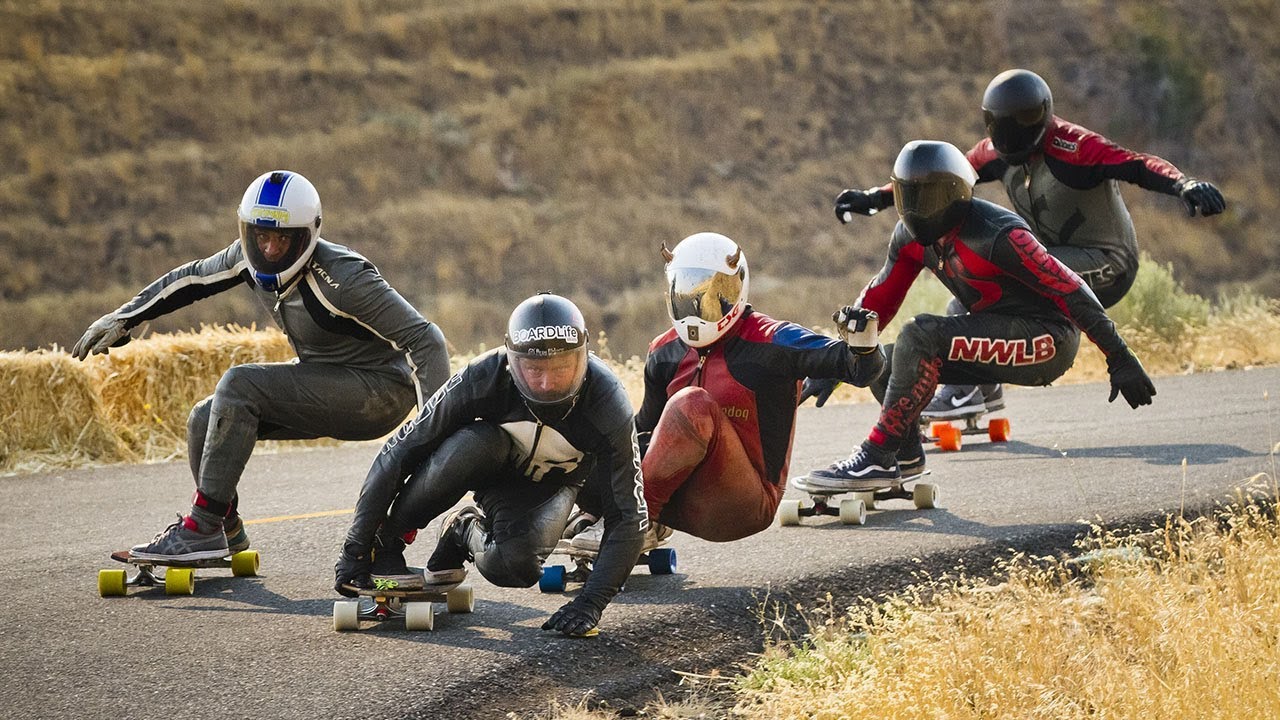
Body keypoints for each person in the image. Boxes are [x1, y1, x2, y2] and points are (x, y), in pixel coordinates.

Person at [71, 170, 450, 560]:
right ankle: (223, 529)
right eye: (261, 236)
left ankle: (200, 527)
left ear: (308, 234)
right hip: (323, 380)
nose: (269, 249)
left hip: (377, 393)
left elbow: (425, 339)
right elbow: (192, 278)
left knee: (240, 384)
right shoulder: (247, 259)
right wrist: (125, 317)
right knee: (205, 418)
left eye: (282, 238)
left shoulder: (345, 277)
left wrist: (433, 439)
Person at [826, 68, 1222, 420]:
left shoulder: (1076, 147)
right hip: (1047, 257)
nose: (1012, 136)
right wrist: (876, 198)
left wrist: (1183, 184)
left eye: (1025, 121)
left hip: (1107, 263)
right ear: (990, 125)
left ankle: (969, 391)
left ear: (1045, 115)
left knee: (973, 299)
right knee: (973, 295)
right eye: (1001, 127)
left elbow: (1138, 164)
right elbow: (938, 179)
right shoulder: (993, 152)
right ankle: (980, 390)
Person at [805, 140, 1155, 487]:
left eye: (929, 197)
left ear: (957, 194)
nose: (917, 209)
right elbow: (880, 300)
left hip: (1048, 340)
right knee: (882, 363)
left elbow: (1069, 286)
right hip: (994, 330)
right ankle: (904, 455)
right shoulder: (908, 239)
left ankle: (876, 456)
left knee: (919, 333)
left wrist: (1119, 355)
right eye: (908, 197)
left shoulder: (999, 234)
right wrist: (839, 361)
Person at [333, 293, 648, 638]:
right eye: (533, 369)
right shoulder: (483, 375)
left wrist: (591, 602)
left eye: (561, 369)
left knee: (518, 569)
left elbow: (629, 514)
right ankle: (389, 541)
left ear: (584, 358)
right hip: (486, 461)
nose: (546, 383)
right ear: (512, 362)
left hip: (552, 484)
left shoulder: (608, 399)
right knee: (472, 443)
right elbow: (400, 449)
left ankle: (462, 531)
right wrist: (357, 546)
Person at [569, 232, 885, 547]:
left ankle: (631, 524)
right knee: (584, 428)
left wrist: (865, 346)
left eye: (711, 293)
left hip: (743, 504)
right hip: (680, 500)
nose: (696, 306)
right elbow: (642, 432)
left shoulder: (772, 339)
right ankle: (618, 519)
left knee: (692, 405)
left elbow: (858, 369)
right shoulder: (662, 352)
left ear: (736, 288)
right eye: (687, 293)